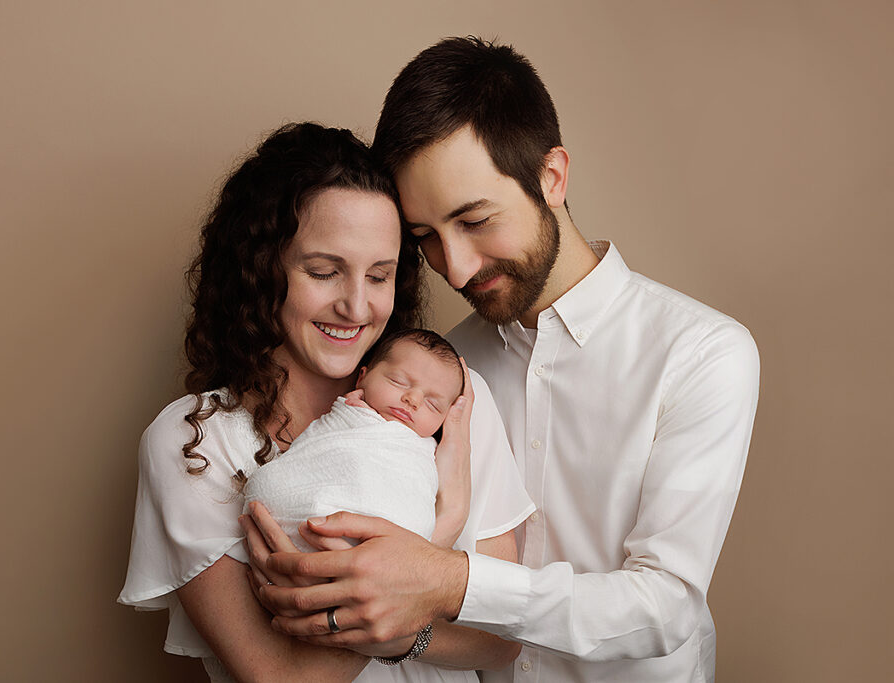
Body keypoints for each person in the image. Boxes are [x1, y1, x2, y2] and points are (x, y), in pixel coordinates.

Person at [250, 38, 760, 683]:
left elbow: (666, 608)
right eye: (426, 238)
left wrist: (451, 582)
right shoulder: (438, 374)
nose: (454, 268)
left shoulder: (702, 353)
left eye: (475, 220)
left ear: (551, 177)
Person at [117, 122, 534, 682]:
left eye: (380, 275)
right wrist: (432, 551)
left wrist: (409, 580)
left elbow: (502, 638)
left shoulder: (445, 399)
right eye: (323, 271)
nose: (357, 306)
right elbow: (282, 677)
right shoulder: (194, 440)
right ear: (262, 271)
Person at [244, 328, 468, 554]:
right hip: (307, 514)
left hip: (386, 545)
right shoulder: (350, 412)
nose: (413, 400)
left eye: (433, 404)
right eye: (398, 381)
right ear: (363, 377)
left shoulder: (426, 450)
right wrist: (353, 409)